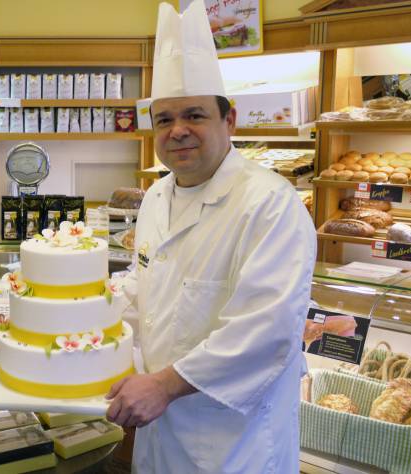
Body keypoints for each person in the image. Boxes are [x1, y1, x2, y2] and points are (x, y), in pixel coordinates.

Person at [105, 2, 316, 473]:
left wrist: (164, 384)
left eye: (194, 115)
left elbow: (265, 329)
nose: (178, 131)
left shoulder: (270, 204)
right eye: (164, 119)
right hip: (160, 430)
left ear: (230, 121)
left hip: (232, 441)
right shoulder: (157, 197)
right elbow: (143, 296)